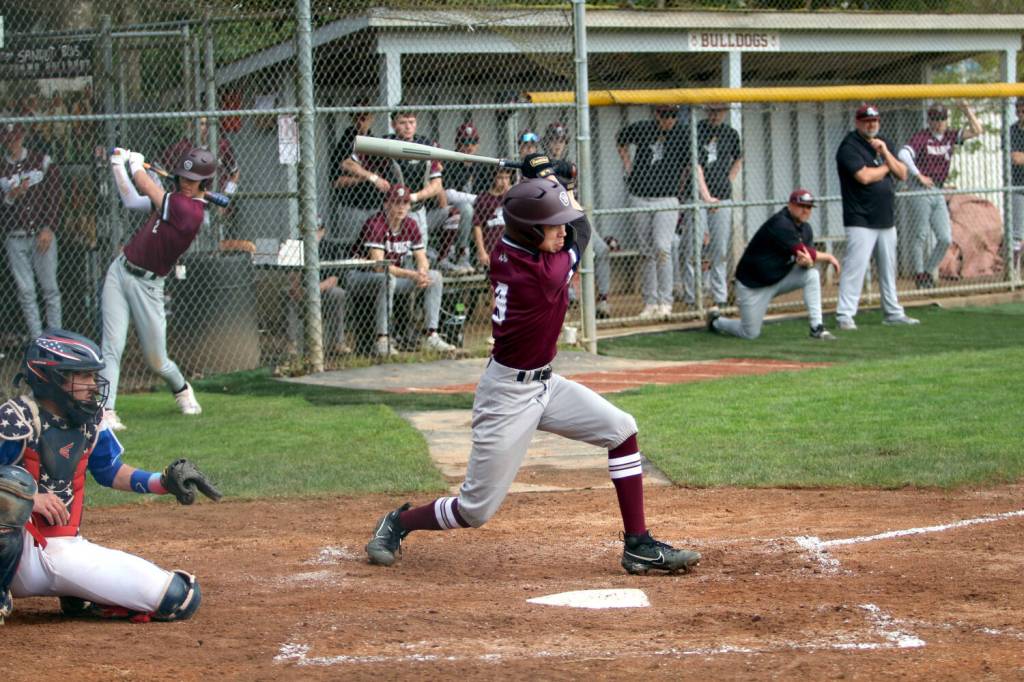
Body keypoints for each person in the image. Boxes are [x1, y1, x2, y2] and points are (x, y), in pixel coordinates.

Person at [364, 176, 701, 576]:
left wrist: (546, 179)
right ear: (528, 229)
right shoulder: (541, 275)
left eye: (559, 223)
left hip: (545, 383)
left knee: (622, 429)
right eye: (552, 225)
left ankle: (639, 546)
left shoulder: (509, 245)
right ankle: (398, 523)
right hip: (507, 395)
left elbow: (556, 220)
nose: (561, 232)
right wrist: (552, 175)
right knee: (475, 510)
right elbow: (583, 231)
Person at [0, 330, 220, 625]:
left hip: (62, 549)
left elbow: (110, 471)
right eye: (84, 377)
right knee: (16, 484)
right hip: (17, 553)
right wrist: (30, 499)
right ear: (53, 378)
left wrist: (162, 482)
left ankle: (78, 591)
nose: (94, 385)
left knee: (178, 598)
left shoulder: (88, 419)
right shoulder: (15, 419)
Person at [100, 146, 218, 431]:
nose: (187, 185)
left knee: (157, 360)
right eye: (184, 178)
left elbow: (143, 184)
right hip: (120, 270)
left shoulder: (189, 212)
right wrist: (119, 165)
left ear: (205, 183)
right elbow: (131, 200)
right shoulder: (173, 199)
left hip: (149, 286)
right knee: (111, 347)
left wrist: (136, 164)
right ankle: (106, 411)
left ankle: (182, 389)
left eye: (194, 181)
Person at [708, 189, 840, 340]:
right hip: (753, 285)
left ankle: (817, 328)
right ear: (790, 205)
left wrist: (807, 263)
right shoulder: (781, 223)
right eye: (801, 206)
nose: (805, 210)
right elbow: (804, 251)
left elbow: (805, 258)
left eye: (809, 207)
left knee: (812, 275)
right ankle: (716, 322)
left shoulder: (806, 229)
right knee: (749, 333)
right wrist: (829, 256)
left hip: (779, 278)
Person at [835, 104, 919, 330]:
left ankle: (893, 312)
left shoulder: (884, 143)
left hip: (885, 217)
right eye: (866, 120)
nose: (871, 124)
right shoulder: (849, 146)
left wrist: (885, 153)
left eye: (874, 120)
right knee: (856, 267)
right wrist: (885, 167)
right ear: (857, 122)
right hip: (860, 218)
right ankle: (845, 315)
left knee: (888, 268)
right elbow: (863, 176)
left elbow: (902, 173)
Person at [348, 184, 456, 357]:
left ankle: (431, 335)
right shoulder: (375, 224)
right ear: (386, 204)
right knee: (387, 278)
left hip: (393, 277)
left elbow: (422, 258)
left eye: (405, 203)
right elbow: (379, 267)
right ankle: (382, 340)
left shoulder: (410, 224)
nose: (401, 207)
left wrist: (421, 272)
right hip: (360, 276)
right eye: (396, 203)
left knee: (434, 276)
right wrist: (412, 274)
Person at [617, 105, 692, 320]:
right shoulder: (643, 128)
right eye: (665, 115)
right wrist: (628, 165)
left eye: (673, 115)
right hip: (640, 196)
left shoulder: (682, 133)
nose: (670, 119)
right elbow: (620, 139)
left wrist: (679, 185)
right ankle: (649, 302)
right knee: (646, 251)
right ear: (657, 114)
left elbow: (690, 164)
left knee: (662, 248)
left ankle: (665, 302)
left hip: (666, 197)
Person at [898, 102, 982, 289]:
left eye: (942, 118)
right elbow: (903, 154)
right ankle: (920, 275)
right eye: (935, 119)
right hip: (921, 189)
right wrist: (918, 174)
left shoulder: (950, 136)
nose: (939, 123)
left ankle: (928, 271)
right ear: (929, 120)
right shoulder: (923, 136)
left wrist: (968, 111)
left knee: (945, 238)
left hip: (938, 189)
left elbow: (977, 131)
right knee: (920, 234)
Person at [542, 123, 614, 318]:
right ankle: (564, 298)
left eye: (561, 140)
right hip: (553, 221)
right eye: (554, 140)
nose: (558, 144)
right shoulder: (542, 166)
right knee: (561, 254)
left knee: (602, 250)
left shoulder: (569, 166)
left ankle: (603, 300)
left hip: (574, 218)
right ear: (547, 143)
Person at [1, 121, 62, 339]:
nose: (12, 142)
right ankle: (38, 340)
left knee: (50, 289)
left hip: (41, 234)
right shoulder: (2, 167)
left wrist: (49, 227)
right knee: (26, 292)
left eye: (15, 137)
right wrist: (10, 197)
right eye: (7, 139)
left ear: (22, 137)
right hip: (15, 236)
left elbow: (55, 196)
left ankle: (55, 339)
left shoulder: (41, 161)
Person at [681, 103, 743, 309]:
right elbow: (694, 165)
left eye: (720, 111)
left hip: (722, 197)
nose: (716, 115)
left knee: (720, 249)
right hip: (698, 198)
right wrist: (707, 197)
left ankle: (720, 297)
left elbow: (739, 158)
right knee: (692, 249)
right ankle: (692, 299)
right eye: (712, 111)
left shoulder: (730, 133)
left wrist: (728, 181)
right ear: (706, 111)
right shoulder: (696, 130)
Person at [330, 105, 390, 259]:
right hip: (352, 206)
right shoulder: (345, 143)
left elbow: (384, 175)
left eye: (365, 117)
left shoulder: (374, 142)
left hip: (376, 205)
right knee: (353, 246)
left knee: (378, 245)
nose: (361, 122)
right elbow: (336, 181)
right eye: (357, 117)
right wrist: (368, 177)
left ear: (371, 119)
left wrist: (373, 177)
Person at [382, 109, 445, 253]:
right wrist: (373, 177)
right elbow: (350, 162)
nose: (408, 127)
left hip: (417, 207)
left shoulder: (425, 145)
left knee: (420, 251)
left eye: (411, 122)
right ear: (393, 124)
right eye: (402, 123)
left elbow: (437, 184)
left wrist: (413, 197)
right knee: (398, 254)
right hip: (393, 211)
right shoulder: (385, 144)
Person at [436, 122, 484, 275]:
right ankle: (462, 254)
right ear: (457, 143)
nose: (469, 146)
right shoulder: (451, 162)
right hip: (453, 210)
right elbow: (448, 194)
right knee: (466, 208)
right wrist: (479, 199)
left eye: (473, 142)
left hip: (479, 208)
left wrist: (483, 201)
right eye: (464, 142)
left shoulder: (481, 164)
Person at [1011, 99, 1024, 266]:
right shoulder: (1012, 130)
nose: (1020, 114)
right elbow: (1015, 159)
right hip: (1018, 185)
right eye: (1018, 111)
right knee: (1017, 234)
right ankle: (1013, 273)